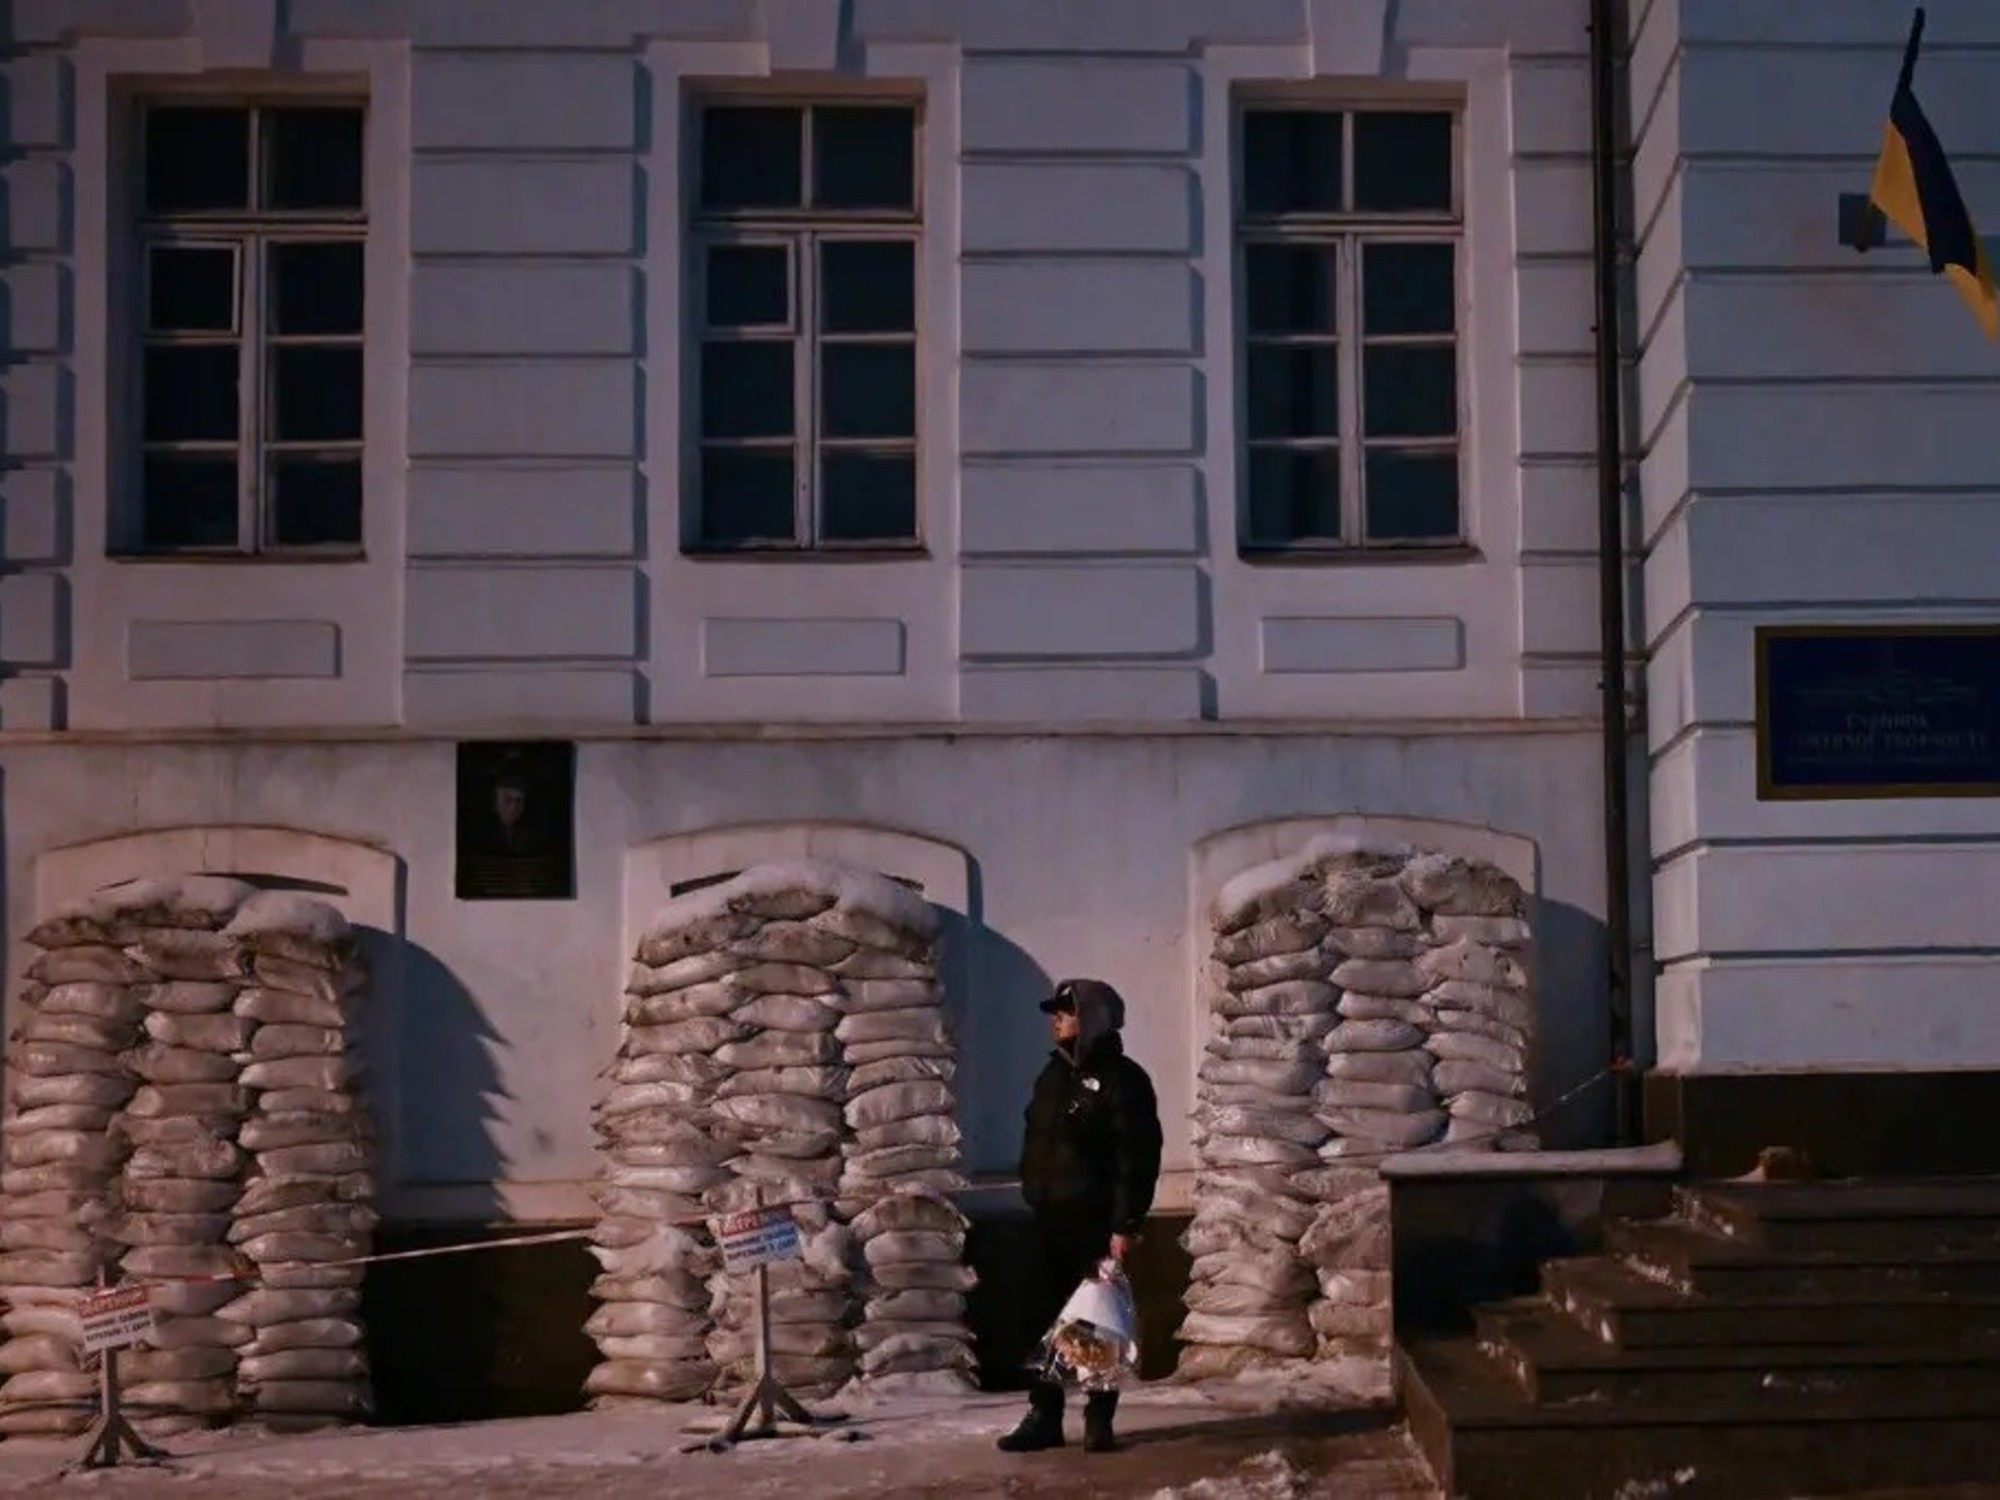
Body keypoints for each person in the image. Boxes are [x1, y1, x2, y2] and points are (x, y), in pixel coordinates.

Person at [998, 977, 1163, 1455]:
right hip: (1048, 1218)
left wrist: (1125, 1223)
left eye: (1065, 1012)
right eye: (1055, 1012)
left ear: (1092, 1019)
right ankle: (1044, 1415)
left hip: (1096, 1223)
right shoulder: (1052, 1076)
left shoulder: (1124, 1081)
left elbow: (1136, 1157)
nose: (1056, 1020)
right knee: (1043, 1319)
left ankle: (1098, 1417)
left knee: (1095, 1322)